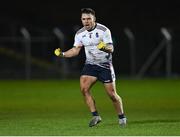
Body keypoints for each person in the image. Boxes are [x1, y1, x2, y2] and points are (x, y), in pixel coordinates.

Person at [54, 8, 126, 127]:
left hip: (105, 65)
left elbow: (111, 49)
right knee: (84, 89)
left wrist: (103, 47)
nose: (86, 21)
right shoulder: (80, 33)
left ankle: (122, 117)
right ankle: (96, 116)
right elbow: (75, 50)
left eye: (88, 19)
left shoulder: (104, 30)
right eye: (83, 19)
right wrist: (62, 54)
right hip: (90, 65)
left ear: (94, 19)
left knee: (112, 95)